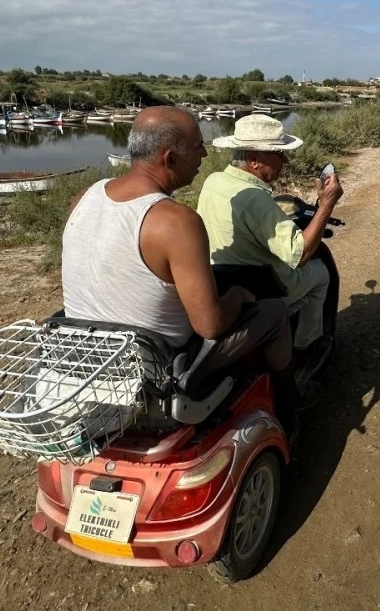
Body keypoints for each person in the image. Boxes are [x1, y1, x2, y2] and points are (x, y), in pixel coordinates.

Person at [61, 105, 317, 426]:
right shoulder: (177, 222)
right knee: (274, 312)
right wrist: (238, 295)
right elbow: (210, 326)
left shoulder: (84, 197)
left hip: (84, 355)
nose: (204, 154)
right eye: (197, 147)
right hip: (158, 365)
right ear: (169, 159)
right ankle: (291, 405)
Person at [198, 114, 343, 362]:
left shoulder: (214, 180)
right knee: (320, 274)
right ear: (254, 160)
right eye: (278, 154)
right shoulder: (255, 198)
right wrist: (326, 205)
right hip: (264, 287)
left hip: (223, 279)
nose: (284, 159)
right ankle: (306, 346)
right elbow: (301, 255)